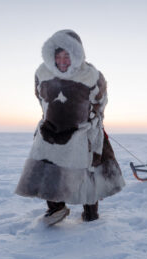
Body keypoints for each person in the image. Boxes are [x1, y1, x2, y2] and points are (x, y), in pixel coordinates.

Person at [15, 29, 125, 224]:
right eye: (58, 56)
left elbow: (101, 102)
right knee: (47, 165)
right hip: (50, 129)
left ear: (77, 55)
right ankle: (56, 209)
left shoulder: (91, 75)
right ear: (52, 56)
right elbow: (40, 98)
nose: (62, 61)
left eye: (67, 55)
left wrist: (91, 124)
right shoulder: (42, 73)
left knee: (87, 170)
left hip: (83, 130)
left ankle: (90, 212)